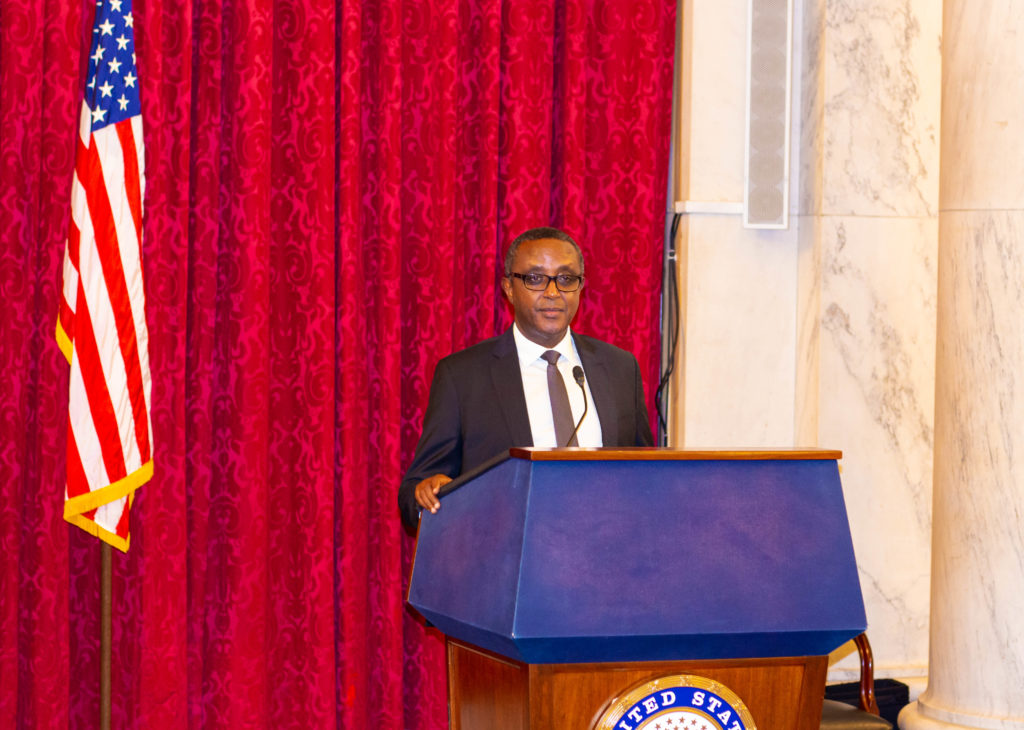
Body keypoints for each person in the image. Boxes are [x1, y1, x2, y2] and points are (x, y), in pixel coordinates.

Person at [398, 227, 653, 529]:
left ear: (581, 287)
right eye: (535, 278)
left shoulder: (619, 367)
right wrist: (424, 492)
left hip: (604, 555)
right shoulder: (463, 376)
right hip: (510, 560)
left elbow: (645, 473)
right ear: (508, 287)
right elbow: (417, 488)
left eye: (566, 279)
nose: (553, 292)